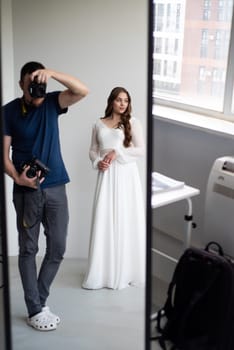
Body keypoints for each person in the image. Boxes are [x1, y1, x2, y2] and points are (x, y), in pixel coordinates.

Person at [3, 61, 89, 331]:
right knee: (29, 248)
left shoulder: (53, 102)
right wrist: (18, 178)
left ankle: (38, 301)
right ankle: (35, 309)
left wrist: (51, 73)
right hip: (26, 191)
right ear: (21, 85)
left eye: (40, 82)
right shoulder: (8, 112)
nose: (36, 87)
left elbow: (83, 90)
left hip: (56, 186)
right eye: (31, 83)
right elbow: (2, 156)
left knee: (58, 247)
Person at [82, 87, 146, 290]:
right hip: (107, 175)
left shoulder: (133, 122)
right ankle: (102, 273)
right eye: (119, 100)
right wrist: (98, 161)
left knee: (125, 217)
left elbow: (142, 150)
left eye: (126, 100)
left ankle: (125, 270)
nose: (122, 104)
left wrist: (116, 152)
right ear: (111, 101)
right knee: (105, 217)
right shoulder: (98, 123)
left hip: (126, 175)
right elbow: (92, 150)